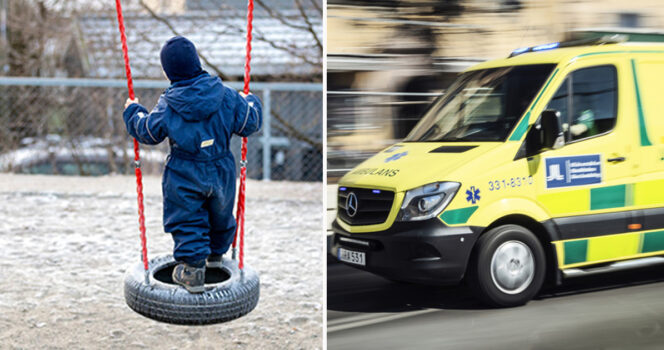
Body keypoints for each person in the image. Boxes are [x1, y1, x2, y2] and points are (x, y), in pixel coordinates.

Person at [122, 36, 262, 293]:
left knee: (187, 219)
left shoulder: (169, 104)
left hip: (184, 172)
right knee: (220, 212)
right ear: (197, 62)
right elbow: (250, 122)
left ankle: (192, 270)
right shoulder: (227, 96)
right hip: (221, 169)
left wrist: (133, 111)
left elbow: (148, 132)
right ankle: (217, 256)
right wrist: (251, 101)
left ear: (168, 71)